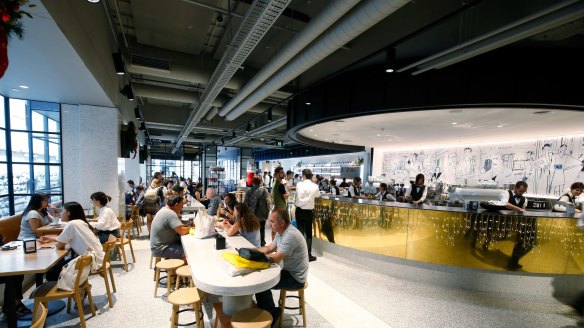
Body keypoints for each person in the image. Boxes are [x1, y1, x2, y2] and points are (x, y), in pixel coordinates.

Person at [254, 209, 308, 326]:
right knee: (260, 280)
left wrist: (254, 257)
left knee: (261, 284)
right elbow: (269, 248)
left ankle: (271, 314)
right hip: (288, 271)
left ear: (282, 222)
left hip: (295, 278)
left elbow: (275, 258)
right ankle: (266, 310)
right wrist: (252, 251)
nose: (269, 224)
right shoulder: (281, 232)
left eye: (272, 221)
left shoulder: (290, 235)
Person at [39, 202, 105, 281]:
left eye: (63, 211)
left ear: (69, 213)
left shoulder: (72, 224)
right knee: (58, 268)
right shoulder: (81, 222)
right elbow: (68, 239)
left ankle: (70, 291)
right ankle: (79, 289)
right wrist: (52, 239)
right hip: (96, 258)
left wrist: (56, 241)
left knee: (51, 274)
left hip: (90, 262)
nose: (61, 213)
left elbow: (60, 246)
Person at [500, 181, 533, 270]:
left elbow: (523, 211)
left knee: (517, 243)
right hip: (502, 221)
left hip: (516, 224)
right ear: (515, 188)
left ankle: (513, 263)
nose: (522, 193)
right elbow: (505, 203)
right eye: (520, 190)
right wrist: (519, 209)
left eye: (524, 191)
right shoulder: (506, 193)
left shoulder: (524, 199)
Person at [150, 195, 191, 261]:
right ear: (176, 205)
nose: (182, 208)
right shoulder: (170, 213)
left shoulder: (164, 209)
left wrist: (187, 226)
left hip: (159, 246)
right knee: (189, 252)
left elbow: (179, 226)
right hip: (162, 248)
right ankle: (177, 270)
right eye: (181, 205)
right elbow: (182, 231)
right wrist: (191, 228)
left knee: (186, 245)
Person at [295, 168, 320, 262]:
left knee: (300, 233)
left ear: (304, 176)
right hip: (309, 212)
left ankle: (299, 254)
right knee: (308, 234)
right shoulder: (315, 186)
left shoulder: (299, 184)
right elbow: (318, 195)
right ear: (311, 176)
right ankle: (308, 255)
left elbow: (298, 193)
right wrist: (314, 182)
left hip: (299, 211)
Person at [244, 176, 271, 246]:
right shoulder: (264, 191)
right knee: (262, 229)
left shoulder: (249, 191)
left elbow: (245, 203)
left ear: (253, 182)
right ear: (261, 181)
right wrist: (268, 212)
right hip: (262, 214)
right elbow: (268, 202)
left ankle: (252, 243)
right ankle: (262, 242)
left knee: (252, 229)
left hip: (251, 214)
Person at [272, 167, 288, 240]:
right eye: (282, 172)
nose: (284, 174)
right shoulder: (280, 185)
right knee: (281, 228)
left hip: (276, 208)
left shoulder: (275, 183)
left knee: (275, 227)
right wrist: (288, 193)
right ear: (278, 174)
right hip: (281, 209)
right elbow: (285, 197)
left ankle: (273, 243)